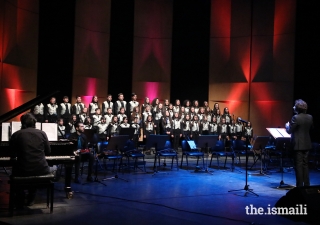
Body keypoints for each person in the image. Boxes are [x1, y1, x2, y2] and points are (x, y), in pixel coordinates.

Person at [10, 113, 51, 206]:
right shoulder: (42, 133)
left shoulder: (16, 134)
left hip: (24, 169)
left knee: (18, 169)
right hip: (42, 169)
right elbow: (48, 151)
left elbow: (12, 154)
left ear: (22, 123)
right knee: (39, 167)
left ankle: (20, 197)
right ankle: (31, 198)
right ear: (34, 122)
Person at [285, 99, 313, 187]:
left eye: (294, 106)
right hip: (307, 144)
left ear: (297, 108)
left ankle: (299, 187)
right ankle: (307, 185)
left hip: (298, 145)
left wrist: (287, 126)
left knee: (299, 166)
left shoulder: (295, 118)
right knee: (305, 165)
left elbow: (289, 131)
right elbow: (311, 129)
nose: (293, 107)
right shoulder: (310, 117)